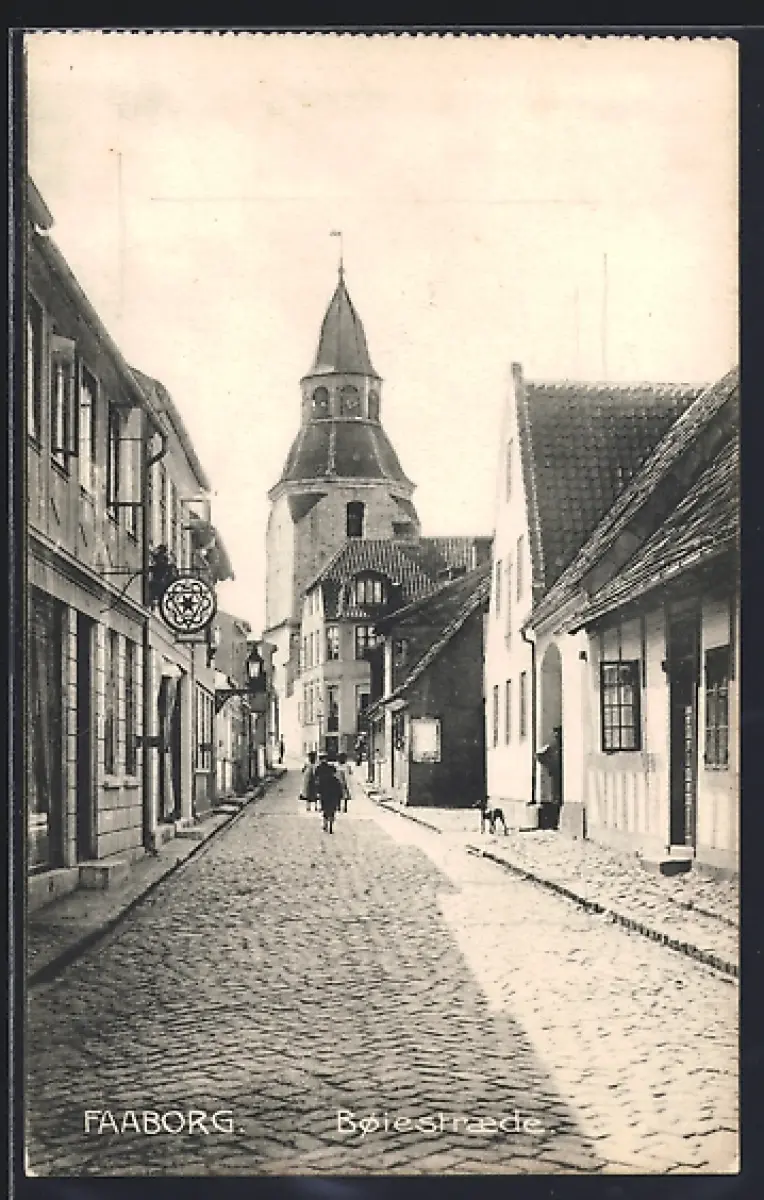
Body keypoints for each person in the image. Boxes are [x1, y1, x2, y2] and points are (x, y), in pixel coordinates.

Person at [315, 752, 342, 833]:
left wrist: (318, 793)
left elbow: (318, 785)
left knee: (325, 810)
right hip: (333, 798)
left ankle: (325, 824)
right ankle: (330, 825)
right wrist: (339, 800)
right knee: (332, 811)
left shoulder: (322, 777)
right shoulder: (336, 780)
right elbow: (339, 790)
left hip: (325, 796)